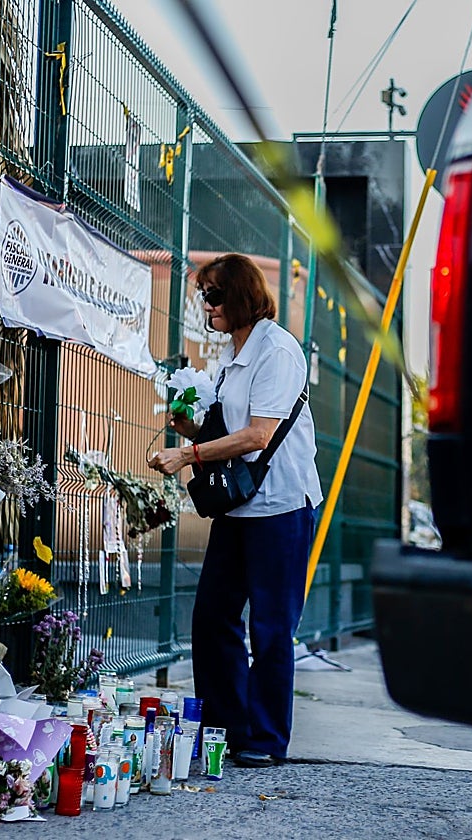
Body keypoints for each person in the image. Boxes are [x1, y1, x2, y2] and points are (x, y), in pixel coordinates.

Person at [148, 253, 322, 768]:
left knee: (270, 627)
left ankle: (266, 741)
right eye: (204, 295)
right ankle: (226, 729)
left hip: (282, 507)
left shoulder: (278, 350)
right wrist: (193, 433)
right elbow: (231, 434)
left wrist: (189, 454)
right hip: (242, 509)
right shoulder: (232, 355)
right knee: (211, 618)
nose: (208, 304)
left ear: (244, 295)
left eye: (216, 295)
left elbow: (260, 435)